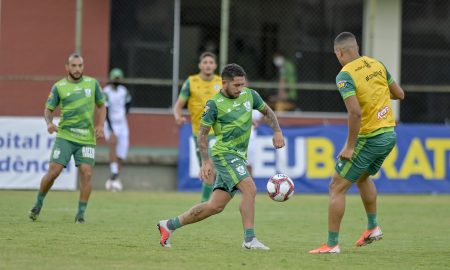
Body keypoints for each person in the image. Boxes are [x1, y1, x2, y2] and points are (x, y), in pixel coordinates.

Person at [158, 63, 285, 250]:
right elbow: (202, 134)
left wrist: (277, 132)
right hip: (224, 154)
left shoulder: (250, 95)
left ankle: (168, 225)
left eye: (242, 84)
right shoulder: (214, 104)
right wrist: (205, 162)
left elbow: (268, 111)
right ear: (224, 83)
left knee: (214, 206)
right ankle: (250, 240)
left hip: (238, 156)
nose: (240, 88)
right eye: (236, 85)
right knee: (250, 189)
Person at [309, 32, 405, 254]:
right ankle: (372, 227)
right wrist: (376, 94)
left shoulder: (344, 75)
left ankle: (332, 244)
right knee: (362, 177)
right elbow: (399, 94)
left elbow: (354, 112)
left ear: (339, 52)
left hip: (369, 137)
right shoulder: (376, 64)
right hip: (389, 134)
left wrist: (350, 146)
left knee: (336, 186)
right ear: (357, 47)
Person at [28, 53, 106, 224]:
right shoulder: (59, 87)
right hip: (65, 136)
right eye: (74, 66)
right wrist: (49, 123)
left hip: (86, 138)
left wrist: (100, 125)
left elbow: (101, 106)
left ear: (83, 67)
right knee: (54, 171)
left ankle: (80, 214)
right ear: (67, 67)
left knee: (87, 173)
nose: (77, 69)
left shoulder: (92, 84)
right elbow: (48, 110)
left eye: (80, 66)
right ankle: (38, 203)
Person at [173, 52, 222, 202]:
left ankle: (205, 202)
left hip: (217, 132)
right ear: (200, 65)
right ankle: (206, 203)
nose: (208, 65)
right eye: (205, 62)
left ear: (215, 66)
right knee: (206, 167)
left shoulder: (221, 82)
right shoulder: (191, 82)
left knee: (211, 162)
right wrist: (178, 116)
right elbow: (178, 106)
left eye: (211, 62)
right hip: (199, 133)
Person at [104, 68, 132, 192]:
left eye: (118, 78)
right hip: (111, 123)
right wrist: (111, 129)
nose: (117, 80)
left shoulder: (124, 91)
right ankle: (114, 174)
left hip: (122, 124)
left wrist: (124, 113)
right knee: (113, 146)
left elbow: (129, 102)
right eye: (115, 78)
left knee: (122, 153)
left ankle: (114, 179)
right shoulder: (106, 92)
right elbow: (105, 111)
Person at [247, 110, 264, 175]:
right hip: (236, 137)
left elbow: (264, 117)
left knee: (249, 164)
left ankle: (249, 184)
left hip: (250, 138)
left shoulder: (256, 105)